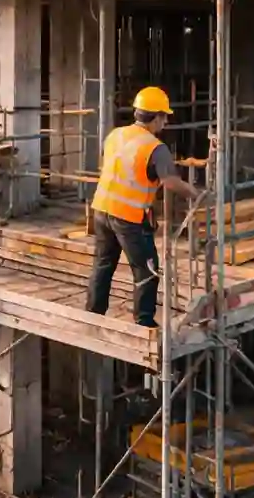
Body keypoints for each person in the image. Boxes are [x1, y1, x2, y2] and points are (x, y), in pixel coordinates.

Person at [86, 87, 202, 329]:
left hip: (101, 209)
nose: (166, 122)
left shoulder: (115, 135)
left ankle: (93, 314)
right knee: (147, 269)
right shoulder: (155, 147)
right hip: (127, 216)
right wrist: (197, 195)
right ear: (155, 117)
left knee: (103, 262)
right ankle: (144, 322)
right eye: (164, 116)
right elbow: (170, 182)